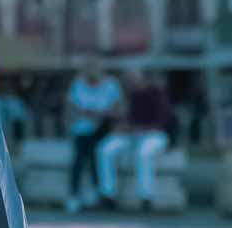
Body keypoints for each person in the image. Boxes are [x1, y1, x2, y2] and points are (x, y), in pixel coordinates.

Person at [95, 70, 175, 213]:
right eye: (127, 81)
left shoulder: (157, 94)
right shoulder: (131, 95)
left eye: (132, 81)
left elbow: (163, 122)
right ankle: (108, 194)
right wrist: (122, 126)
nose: (129, 84)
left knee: (143, 153)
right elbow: (128, 119)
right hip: (132, 135)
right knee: (105, 149)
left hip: (155, 135)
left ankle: (146, 197)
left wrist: (134, 128)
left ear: (143, 79)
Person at [64, 60, 124, 213]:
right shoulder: (78, 85)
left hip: (103, 129)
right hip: (81, 130)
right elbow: (71, 109)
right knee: (80, 155)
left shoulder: (111, 85)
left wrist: (96, 113)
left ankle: (92, 194)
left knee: (92, 151)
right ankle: (79, 194)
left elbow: (117, 110)